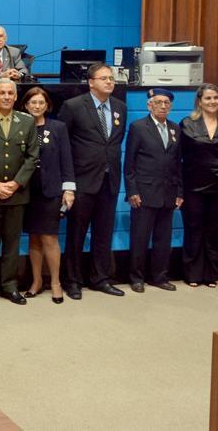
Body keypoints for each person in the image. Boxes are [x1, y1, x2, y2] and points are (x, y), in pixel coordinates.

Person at [57, 62, 127, 299]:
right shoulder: (73, 106)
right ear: (91, 82)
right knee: (76, 234)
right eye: (104, 78)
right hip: (82, 180)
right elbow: (63, 146)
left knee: (103, 233)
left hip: (109, 180)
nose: (110, 82)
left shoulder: (120, 107)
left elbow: (114, 143)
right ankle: (72, 280)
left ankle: (100, 278)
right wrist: (68, 183)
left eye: (111, 78)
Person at [0, 78, 39, 305]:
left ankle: (10, 286)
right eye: (2, 93)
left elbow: (32, 156)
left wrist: (17, 183)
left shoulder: (27, 121)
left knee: (12, 243)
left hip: (17, 193)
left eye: (10, 93)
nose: (6, 97)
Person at [179, 84, 218, 287]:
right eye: (208, 98)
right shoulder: (187, 124)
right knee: (194, 229)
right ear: (199, 101)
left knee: (214, 230)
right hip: (193, 187)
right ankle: (193, 274)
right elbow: (178, 158)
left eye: (216, 98)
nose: (212, 101)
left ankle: (211, 275)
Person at [124, 88, 184, 293]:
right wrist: (132, 191)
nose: (163, 106)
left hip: (168, 193)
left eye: (167, 102)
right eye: (158, 102)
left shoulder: (176, 129)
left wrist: (180, 192)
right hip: (144, 193)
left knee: (163, 239)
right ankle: (137, 277)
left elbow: (178, 164)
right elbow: (129, 163)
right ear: (149, 105)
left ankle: (159, 276)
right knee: (140, 238)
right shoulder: (138, 127)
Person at [21, 87, 75, 303]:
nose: (36, 106)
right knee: (33, 237)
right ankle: (36, 281)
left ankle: (55, 282)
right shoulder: (20, 127)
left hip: (51, 191)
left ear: (47, 105)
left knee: (49, 237)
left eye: (40, 103)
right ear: (25, 105)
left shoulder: (58, 128)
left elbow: (67, 160)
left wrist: (68, 189)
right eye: (32, 102)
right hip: (26, 191)